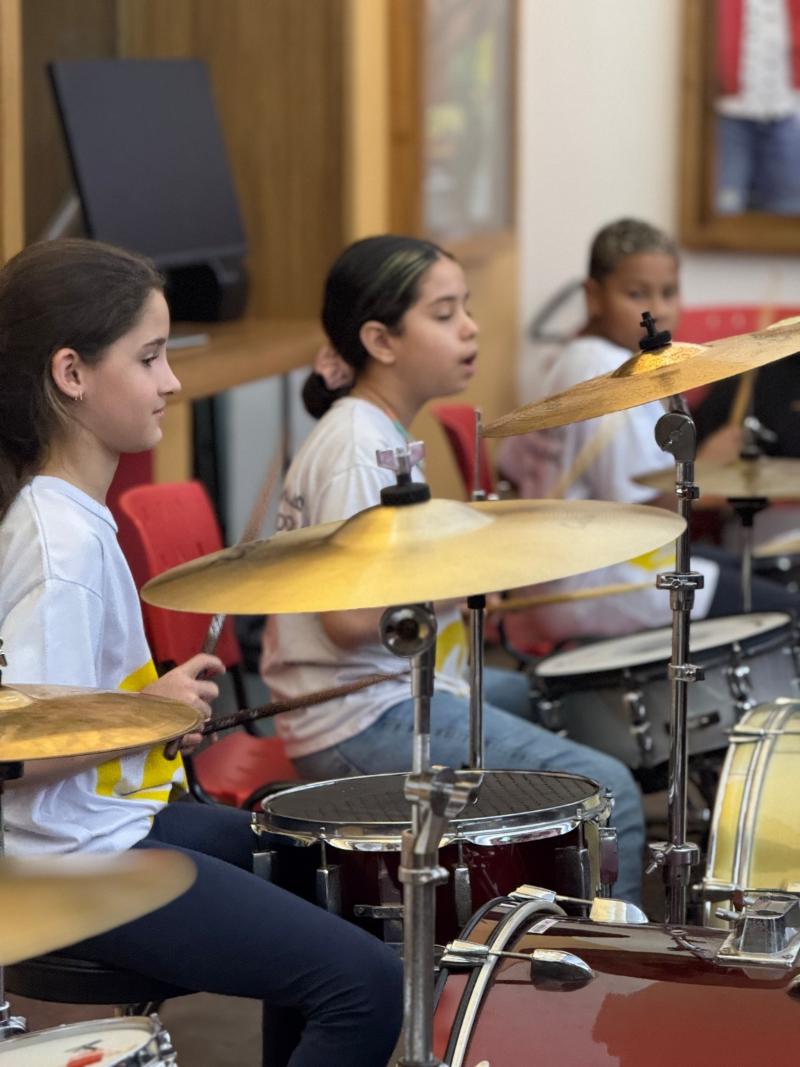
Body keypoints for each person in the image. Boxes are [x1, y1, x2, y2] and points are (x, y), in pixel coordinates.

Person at [0, 238, 402, 1067]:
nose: (172, 381)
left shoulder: (72, 516)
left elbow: (66, 703)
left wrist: (153, 708)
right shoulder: (59, 541)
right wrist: (149, 717)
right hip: (71, 864)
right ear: (71, 373)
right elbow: (17, 751)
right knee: (364, 983)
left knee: (311, 856)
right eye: (149, 357)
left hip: (103, 824)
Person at [261, 234, 646, 904]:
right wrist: (468, 577)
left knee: (568, 698)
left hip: (393, 691)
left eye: (465, 307)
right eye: (444, 314)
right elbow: (350, 620)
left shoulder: (377, 431)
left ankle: (531, 910)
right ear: (380, 340)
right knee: (610, 788)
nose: (470, 327)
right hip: (357, 719)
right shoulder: (355, 448)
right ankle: (612, 956)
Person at [498, 217, 798, 643]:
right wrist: (708, 467)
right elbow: (649, 513)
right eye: (637, 294)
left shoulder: (580, 358)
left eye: (669, 292)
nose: (657, 309)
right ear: (593, 296)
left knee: (758, 574)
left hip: (589, 567)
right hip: (595, 581)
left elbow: (510, 466)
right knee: (786, 607)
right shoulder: (601, 370)